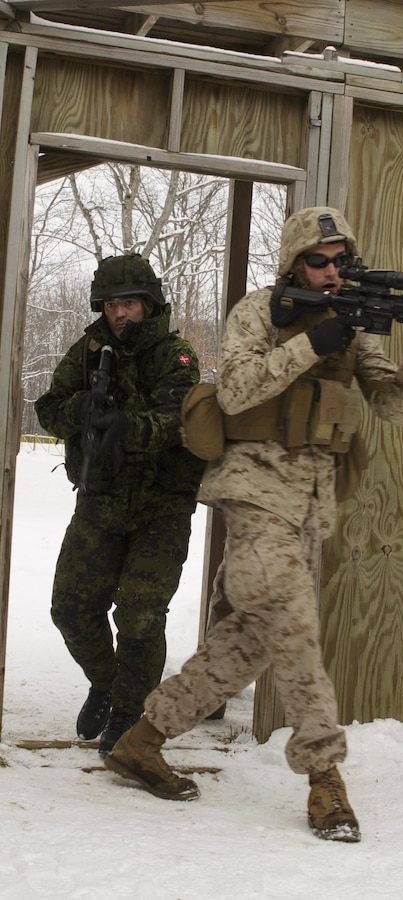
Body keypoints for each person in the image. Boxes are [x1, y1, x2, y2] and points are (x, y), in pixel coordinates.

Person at [104, 207, 403, 842]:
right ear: (294, 262)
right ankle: (325, 781)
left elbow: (394, 409)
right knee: (295, 621)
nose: (332, 272)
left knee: (250, 645)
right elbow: (235, 391)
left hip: (313, 502)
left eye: (341, 261)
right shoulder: (260, 311)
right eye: (319, 260)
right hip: (256, 492)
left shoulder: (356, 321)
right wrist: (313, 342)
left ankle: (141, 741)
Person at [35, 253, 205, 757]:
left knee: (139, 615)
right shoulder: (88, 351)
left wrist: (127, 426)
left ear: (148, 304)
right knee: (71, 607)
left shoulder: (175, 355)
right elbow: (48, 409)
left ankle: (131, 714)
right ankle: (107, 684)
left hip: (160, 507)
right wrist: (79, 409)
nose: (120, 314)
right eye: (111, 306)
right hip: (101, 500)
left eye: (129, 303)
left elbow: (177, 419)